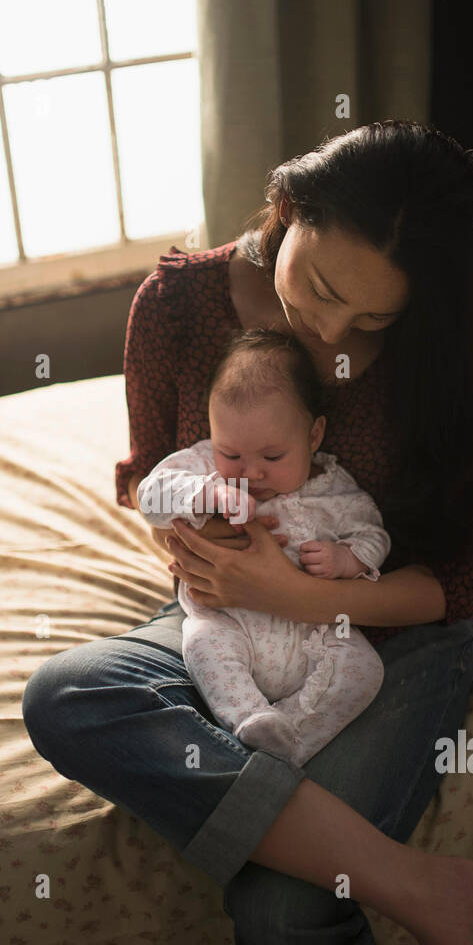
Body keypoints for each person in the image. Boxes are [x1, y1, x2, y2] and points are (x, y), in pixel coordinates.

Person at [23, 120, 473, 945]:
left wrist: (314, 595)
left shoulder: (439, 356)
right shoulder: (178, 305)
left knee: (287, 906)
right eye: (319, 288)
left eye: (367, 320)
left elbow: (458, 580)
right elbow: (150, 479)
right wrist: (199, 534)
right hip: (227, 610)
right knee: (68, 695)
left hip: (388, 632)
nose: (329, 335)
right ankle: (427, 894)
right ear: (287, 209)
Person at [137, 327, 390, 766]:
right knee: (200, 643)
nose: (249, 472)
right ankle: (248, 718)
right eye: (230, 453)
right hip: (228, 620)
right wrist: (207, 494)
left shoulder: (333, 489)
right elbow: (150, 496)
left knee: (364, 670)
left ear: (313, 437)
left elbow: (375, 534)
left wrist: (347, 558)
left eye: (273, 457)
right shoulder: (200, 468)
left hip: (314, 632)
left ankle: (291, 736)